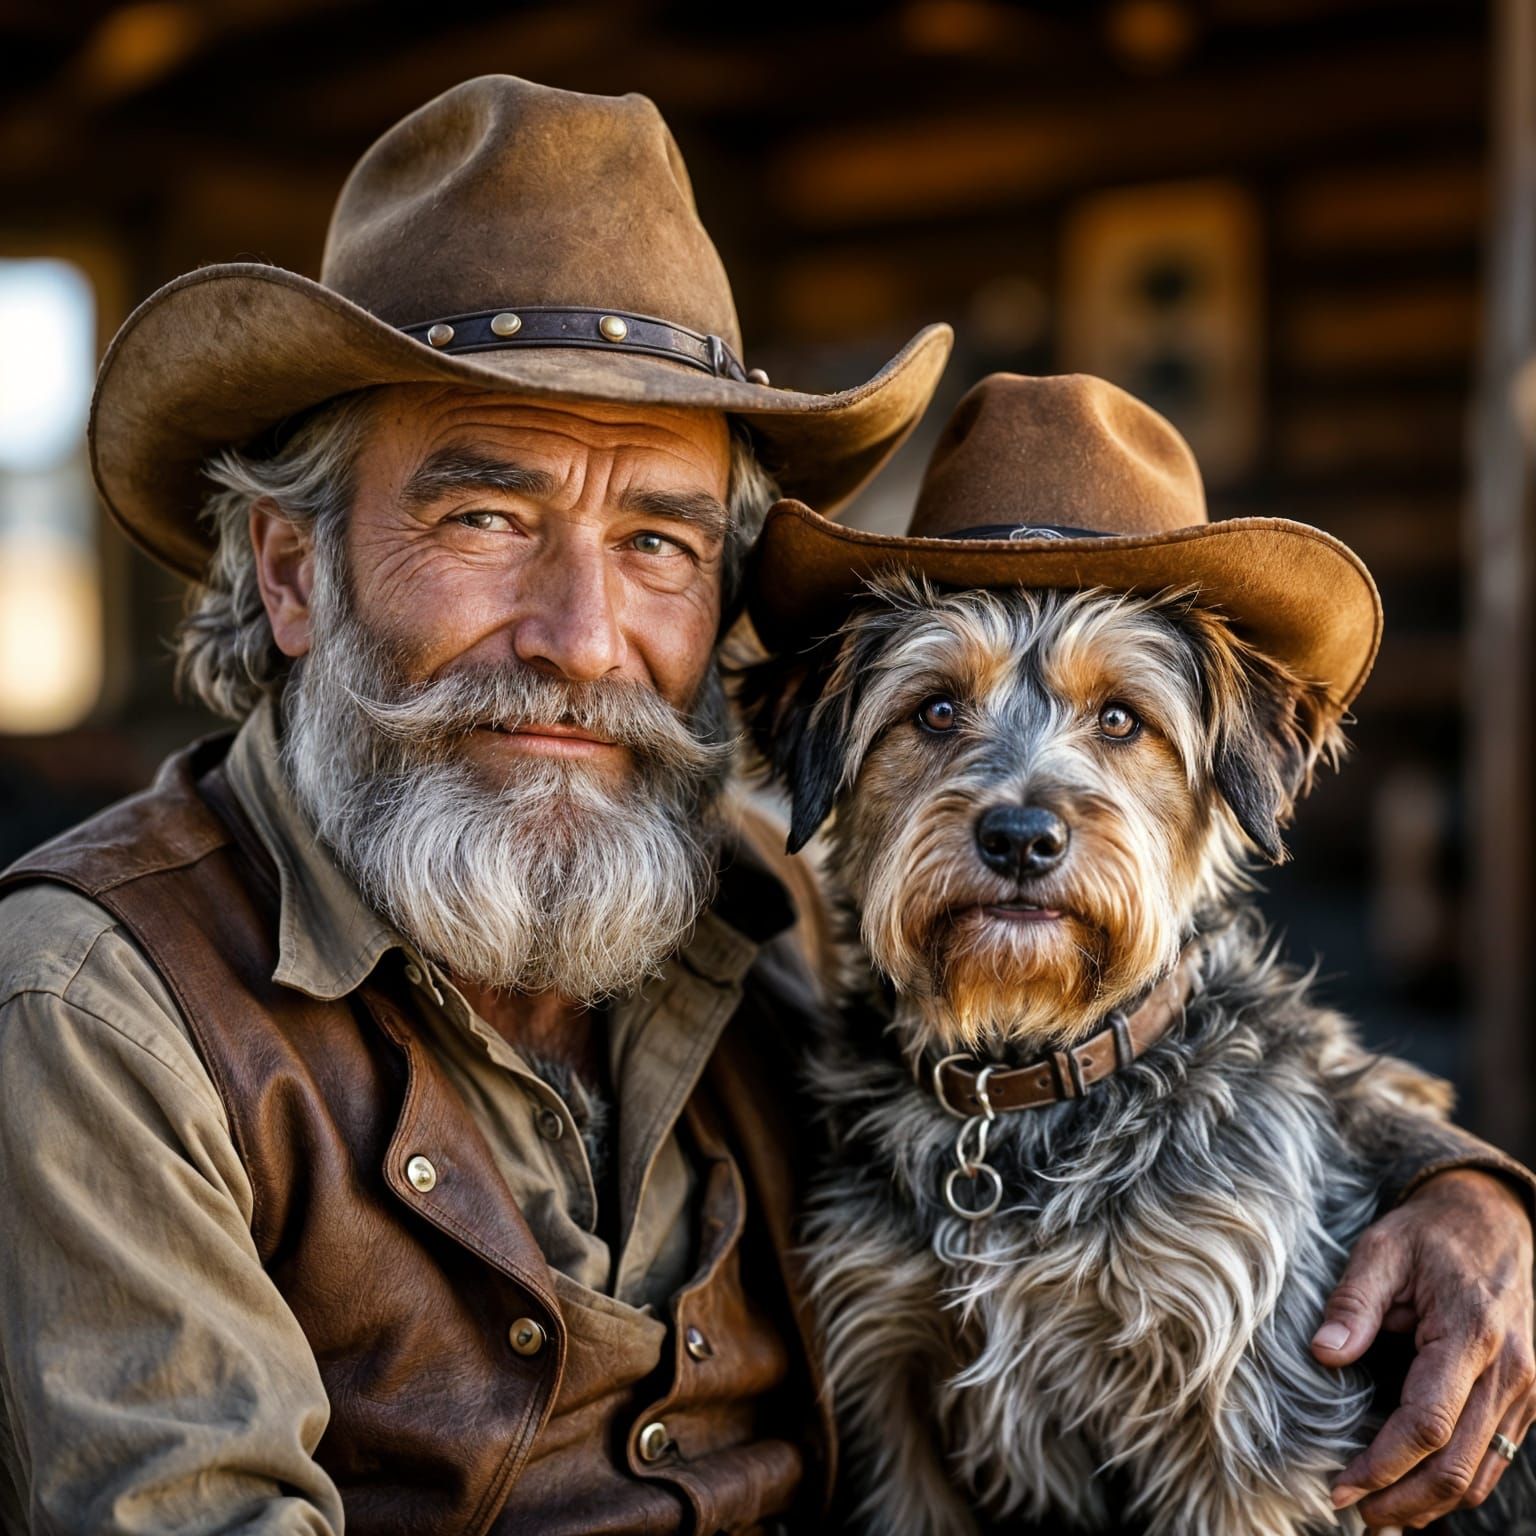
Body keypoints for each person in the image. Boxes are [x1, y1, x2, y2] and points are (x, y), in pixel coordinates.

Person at [0, 75, 1528, 1536]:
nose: (581, 637)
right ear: (292, 572)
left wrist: (1463, 1194)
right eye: (487, 516)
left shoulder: (755, 899)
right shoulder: (96, 1016)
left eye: (656, 542)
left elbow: (1246, 1064)